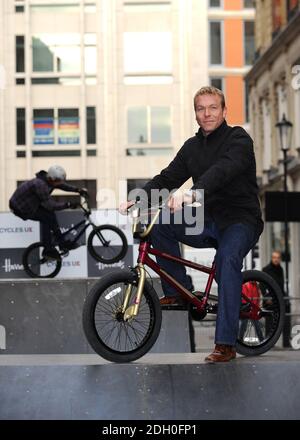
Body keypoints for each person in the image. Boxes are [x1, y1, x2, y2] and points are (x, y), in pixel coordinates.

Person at [120, 86, 264, 363]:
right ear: (195, 114)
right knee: (161, 225)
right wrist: (136, 199)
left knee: (227, 258)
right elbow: (167, 178)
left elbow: (222, 171)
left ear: (224, 111)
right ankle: (178, 292)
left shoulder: (239, 139)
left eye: (213, 107)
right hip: (208, 220)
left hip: (240, 219)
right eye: (201, 108)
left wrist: (193, 192)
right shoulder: (191, 147)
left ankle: (225, 344)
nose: (207, 113)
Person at [9, 165, 87, 259]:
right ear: (52, 179)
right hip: (20, 207)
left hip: (30, 203)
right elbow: (51, 205)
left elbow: (62, 185)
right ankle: (48, 250)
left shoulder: (49, 180)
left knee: (50, 215)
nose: (59, 183)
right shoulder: (40, 185)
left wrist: (77, 190)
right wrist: (68, 205)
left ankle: (62, 243)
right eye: (58, 181)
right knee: (46, 218)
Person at [262, 251, 290, 347]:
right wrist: (266, 297)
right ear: (272, 258)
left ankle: (286, 343)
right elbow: (262, 285)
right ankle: (268, 344)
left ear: (280, 259)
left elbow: (281, 285)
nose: (276, 259)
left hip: (280, 299)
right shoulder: (265, 269)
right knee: (270, 323)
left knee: (285, 320)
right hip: (270, 300)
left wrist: (285, 297)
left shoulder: (281, 269)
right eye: (274, 257)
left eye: (278, 257)